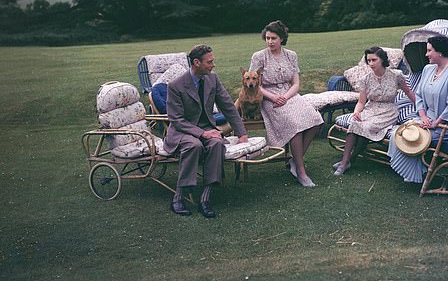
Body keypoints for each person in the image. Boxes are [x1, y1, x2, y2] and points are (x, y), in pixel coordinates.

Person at [164, 44, 249, 218]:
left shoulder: (213, 79)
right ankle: (177, 199)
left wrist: (242, 133)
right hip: (182, 132)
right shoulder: (176, 86)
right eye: (209, 62)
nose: (213, 65)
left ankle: (205, 199)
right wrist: (202, 133)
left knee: (217, 143)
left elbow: (228, 107)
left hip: (207, 129)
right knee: (194, 145)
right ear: (196, 62)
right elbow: (177, 120)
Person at [249, 20, 323, 187]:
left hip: (290, 94)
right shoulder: (259, 57)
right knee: (294, 124)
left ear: (282, 38)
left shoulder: (291, 55)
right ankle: (301, 172)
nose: (270, 42)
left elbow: (296, 83)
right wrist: (274, 97)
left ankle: (294, 162)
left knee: (316, 120)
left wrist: (286, 96)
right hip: (268, 97)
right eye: (267, 38)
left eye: (273, 38)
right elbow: (254, 85)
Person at [387, 35, 448, 183]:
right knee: (397, 134)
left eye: (429, 51)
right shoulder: (428, 69)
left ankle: (416, 174)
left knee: (413, 140)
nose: (426, 54)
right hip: (425, 120)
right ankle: (416, 171)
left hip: (445, 126)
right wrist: (423, 117)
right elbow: (419, 96)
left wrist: (435, 123)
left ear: (440, 52)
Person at [333, 46, 416, 176]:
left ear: (382, 60)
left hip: (387, 111)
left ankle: (347, 161)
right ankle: (346, 161)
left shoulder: (396, 75)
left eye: (374, 60)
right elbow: (361, 102)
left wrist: (422, 107)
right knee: (355, 123)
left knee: (367, 126)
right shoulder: (366, 79)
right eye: (368, 61)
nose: (371, 64)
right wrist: (356, 112)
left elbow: (409, 92)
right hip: (370, 108)